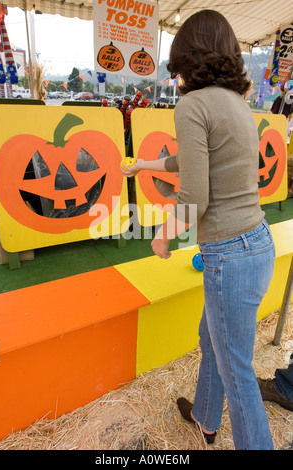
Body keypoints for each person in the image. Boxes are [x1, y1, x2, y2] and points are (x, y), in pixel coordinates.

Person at [121, 10, 275, 450]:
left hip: (229, 253)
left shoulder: (192, 104)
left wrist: (163, 233)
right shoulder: (237, 104)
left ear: (187, 56)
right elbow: (194, 160)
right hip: (257, 243)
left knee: (238, 373)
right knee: (213, 340)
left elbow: (195, 198)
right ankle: (206, 417)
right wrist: (148, 164)